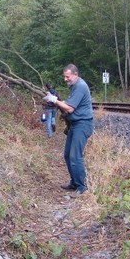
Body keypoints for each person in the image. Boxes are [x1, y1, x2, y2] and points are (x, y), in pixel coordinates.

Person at [43, 64, 93, 195]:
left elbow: (70, 109)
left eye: (67, 76)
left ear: (75, 74)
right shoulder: (74, 86)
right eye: (64, 76)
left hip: (82, 124)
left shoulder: (80, 86)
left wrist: (54, 100)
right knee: (67, 155)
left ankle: (82, 187)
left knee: (75, 156)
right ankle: (74, 182)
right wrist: (58, 100)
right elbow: (70, 103)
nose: (65, 79)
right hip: (75, 125)